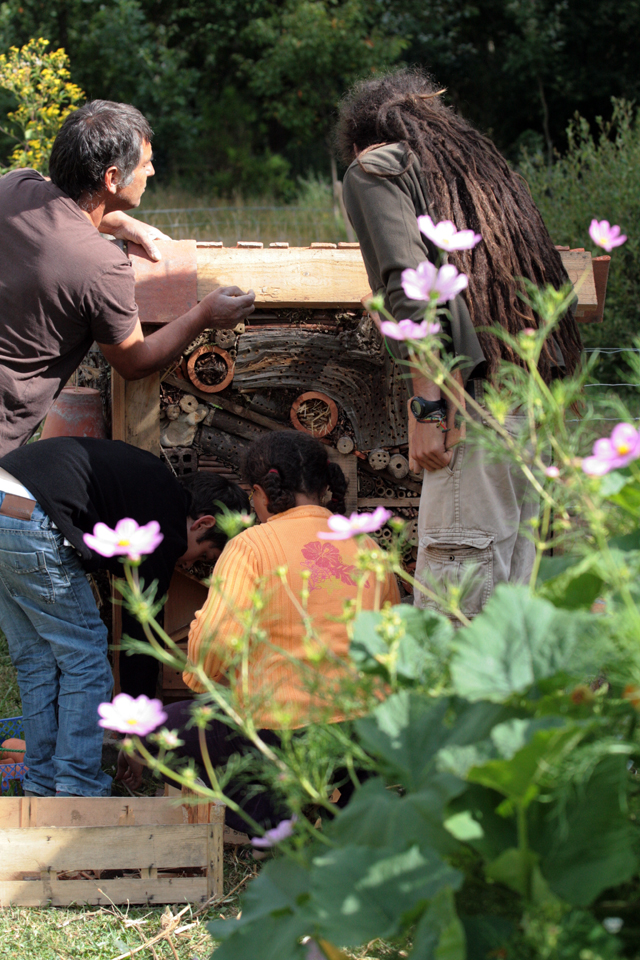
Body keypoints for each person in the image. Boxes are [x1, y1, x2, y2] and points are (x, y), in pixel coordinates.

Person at [337, 68, 583, 617]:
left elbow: (411, 283)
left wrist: (427, 404)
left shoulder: (374, 167)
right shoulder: (483, 174)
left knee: (457, 600)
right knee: (514, 605)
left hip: (473, 407)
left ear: (361, 138)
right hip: (531, 404)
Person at [118, 431, 400, 829]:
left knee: (150, 732)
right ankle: (344, 811)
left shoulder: (251, 545)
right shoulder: (370, 548)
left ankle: (277, 822)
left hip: (283, 732)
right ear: (325, 487)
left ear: (260, 492)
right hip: (364, 737)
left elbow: (207, 655)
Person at [0, 99, 255, 455]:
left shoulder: (13, 187)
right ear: (113, 178)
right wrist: (205, 314)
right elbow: (135, 362)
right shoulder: (101, 265)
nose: (151, 172)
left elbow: (62, 201)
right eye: (146, 164)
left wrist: (122, 223)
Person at [0, 436, 249, 797]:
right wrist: (135, 739)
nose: (189, 564)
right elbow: (141, 637)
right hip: (34, 515)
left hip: (6, 499)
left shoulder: (146, 486)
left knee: (37, 660)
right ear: (202, 523)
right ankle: (77, 789)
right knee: (85, 659)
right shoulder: (165, 528)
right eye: (205, 555)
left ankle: (41, 785)